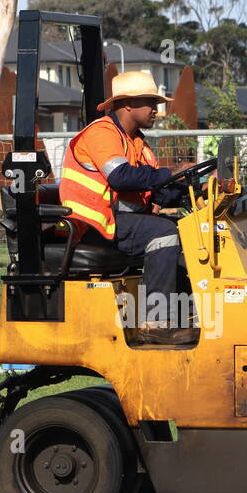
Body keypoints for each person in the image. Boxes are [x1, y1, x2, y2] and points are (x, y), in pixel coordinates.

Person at [58, 71, 195, 345]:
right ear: (127, 104)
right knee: (163, 232)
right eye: (150, 103)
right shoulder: (101, 133)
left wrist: (187, 187)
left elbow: (152, 187)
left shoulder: (138, 144)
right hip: (93, 224)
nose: (157, 110)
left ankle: (185, 319)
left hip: (118, 221)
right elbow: (120, 177)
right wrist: (171, 173)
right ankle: (155, 323)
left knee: (189, 234)